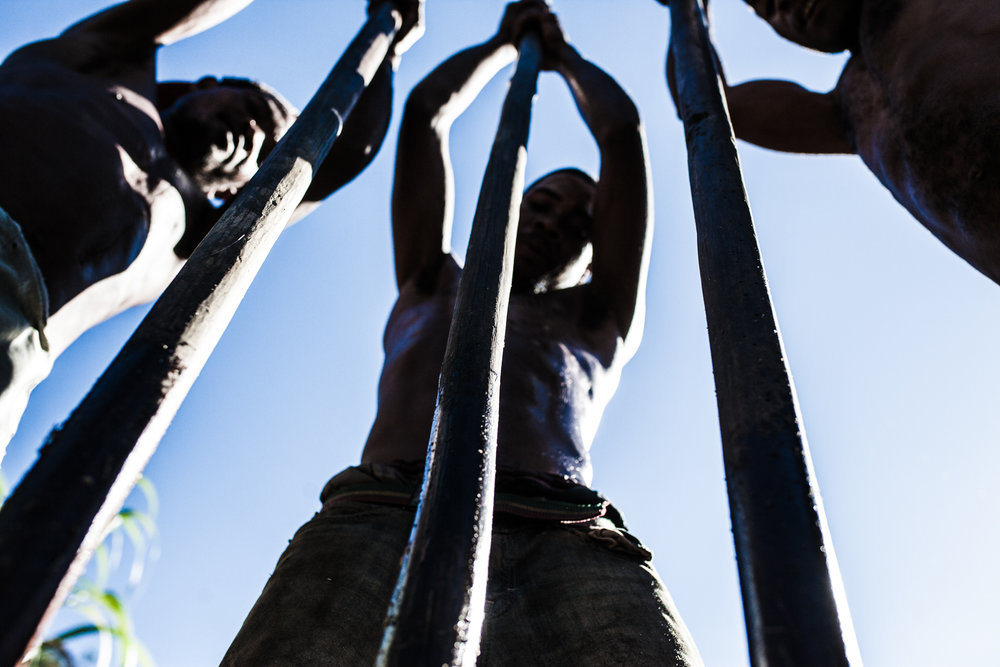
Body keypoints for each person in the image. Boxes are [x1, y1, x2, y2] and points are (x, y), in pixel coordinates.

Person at [223, 2, 703, 665]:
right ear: (511, 204)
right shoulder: (432, 280)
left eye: (578, 226)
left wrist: (560, 60)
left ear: (592, 259)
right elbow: (425, 114)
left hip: (561, 528)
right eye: (543, 203)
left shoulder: (595, 322)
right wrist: (502, 48)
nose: (555, 223)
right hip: (386, 507)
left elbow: (622, 133)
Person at [0, 0, 422, 456]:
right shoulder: (103, 66)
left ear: (237, 188)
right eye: (254, 107)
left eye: (265, 151)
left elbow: (340, 155)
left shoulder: (191, 231)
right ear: (206, 84)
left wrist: (388, 49)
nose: (254, 132)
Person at [665, 0, 1000, 286]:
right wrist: (694, 7)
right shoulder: (850, 106)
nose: (781, 7)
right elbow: (704, 104)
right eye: (766, 11)